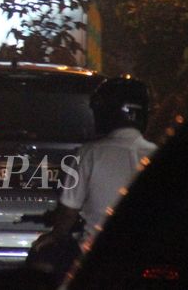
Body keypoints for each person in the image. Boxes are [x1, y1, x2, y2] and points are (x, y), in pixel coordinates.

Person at [29, 75, 156, 282]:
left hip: (98, 255)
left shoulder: (89, 154)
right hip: (149, 253)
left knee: (43, 258)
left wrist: (54, 234)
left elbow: (68, 213)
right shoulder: (157, 153)